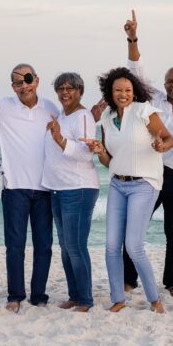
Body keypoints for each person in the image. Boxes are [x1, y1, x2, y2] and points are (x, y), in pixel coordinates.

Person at [120, 10, 173, 300]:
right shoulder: (154, 99)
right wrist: (133, 38)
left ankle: (172, 283)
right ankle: (128, 279)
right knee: (135, 230)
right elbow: (135, 70)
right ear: (165, 85)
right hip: (151, 174)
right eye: (170, 81)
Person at [0, 62, 60, 312]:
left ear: (37, 80)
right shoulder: (2, 107)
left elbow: (67, 133)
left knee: (44, 245)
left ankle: (39, 295)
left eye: (27, 79)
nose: (24, 85)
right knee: (15, 246)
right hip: (15, 188)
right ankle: (15, 296)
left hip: (45, 188)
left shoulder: (51, 108)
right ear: (13, 86)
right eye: (18, 82)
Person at [84, 67, 173, 314]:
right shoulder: (105, 117)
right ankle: (118, 299)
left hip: (144, 184)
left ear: (134, 91)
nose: (123, 94)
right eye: (118, 90)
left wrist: (159, 146)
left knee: (133, 245)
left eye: (127, 90)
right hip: (117, 183)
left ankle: (154, 299)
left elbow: (168, 139)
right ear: (110, 92)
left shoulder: (144, 111)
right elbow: (108, 160)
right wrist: (99, 150)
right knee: (111, 245)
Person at [42, 73, 100, 312]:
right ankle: (74, 295)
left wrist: (59, 138)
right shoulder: (62, 115)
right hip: (57, 188)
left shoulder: (83, 116)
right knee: (66, 246)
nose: (64, 92)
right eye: (60, 89)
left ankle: (85, 299)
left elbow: (86, 152)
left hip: (78, 187)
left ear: (80, 91)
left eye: (70, 88)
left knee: (76, 246)